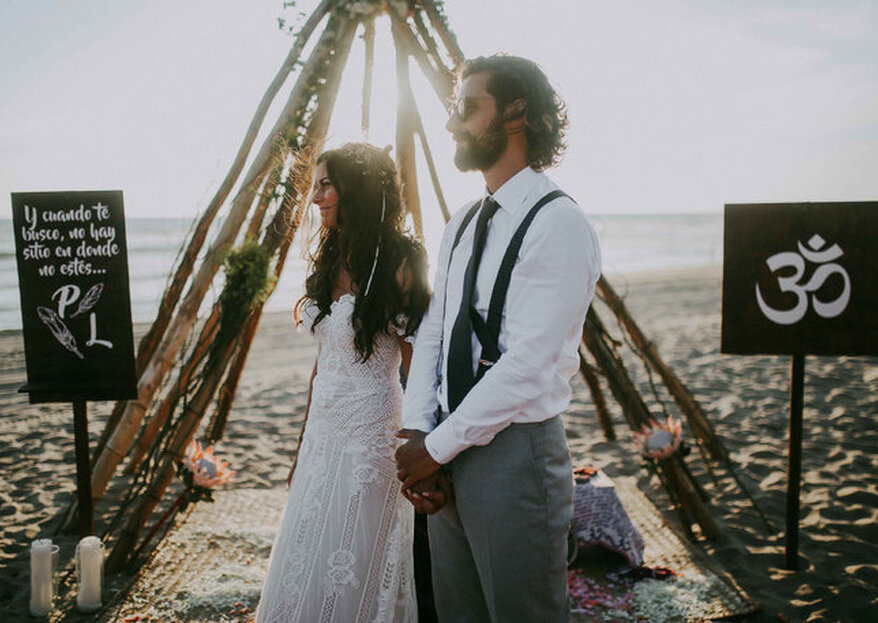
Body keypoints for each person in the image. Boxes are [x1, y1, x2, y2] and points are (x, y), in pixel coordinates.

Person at [395, 54, 602, 622]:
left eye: (466, 107)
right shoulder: (462, 220)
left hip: (515, 454)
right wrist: (419, 431)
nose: (450, 123)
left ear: (517, 115)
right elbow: (435, 328)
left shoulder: (560, 224)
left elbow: (529, 365)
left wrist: (432, 449)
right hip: (445, 444)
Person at [255, 143, 434, 623]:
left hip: (372, 439)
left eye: (326, 184)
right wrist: (301, 446)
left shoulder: (401, 259)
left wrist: (423, 447)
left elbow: (418, 365)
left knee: (353, 561)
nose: (315, 197)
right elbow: (323, 366)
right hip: (322, 433)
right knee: (308, 549)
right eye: (315, 186)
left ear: (357, 187)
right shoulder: (332, 255)